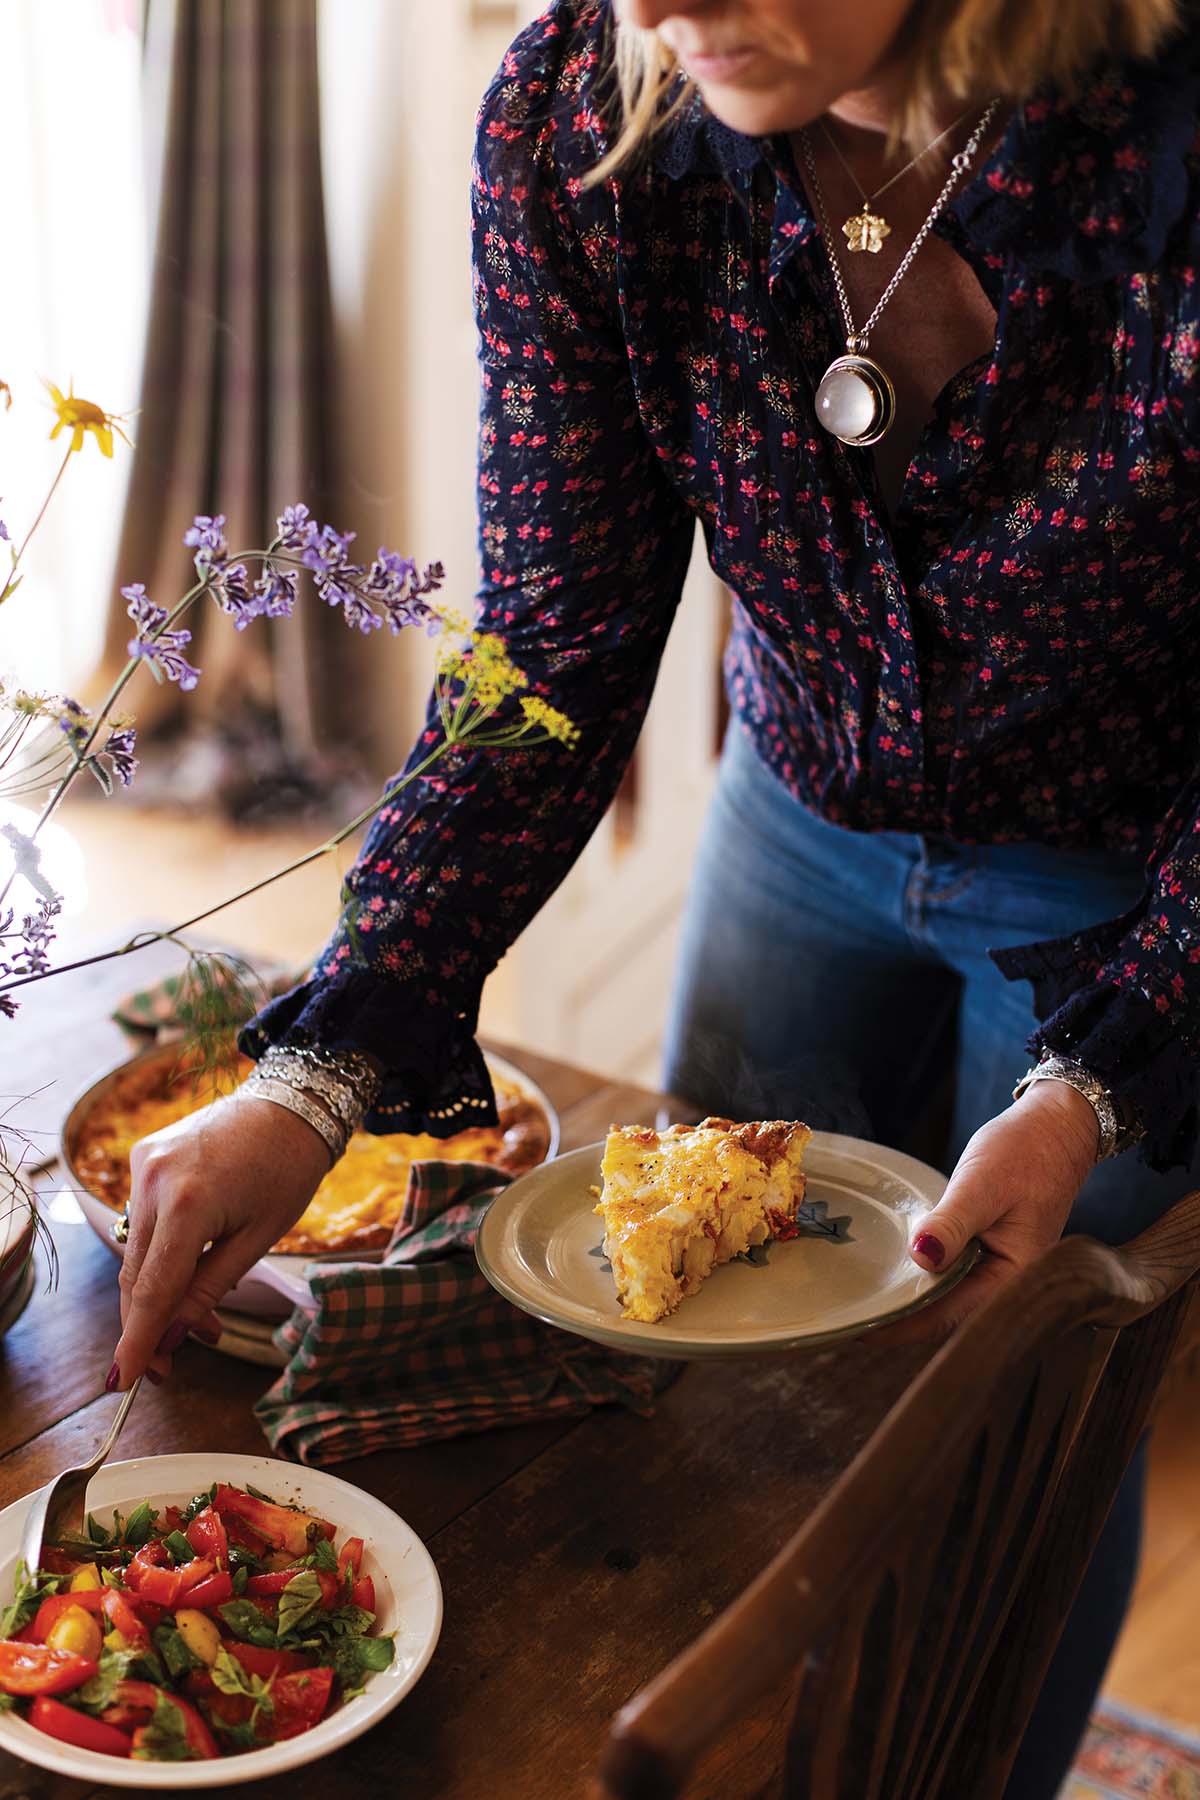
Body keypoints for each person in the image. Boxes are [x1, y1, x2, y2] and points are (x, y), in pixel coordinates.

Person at [110, 0, 1200, 1790]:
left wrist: (1095, 1088)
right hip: (801, 812)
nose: (669, 8)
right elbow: (550, 644)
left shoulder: (1165, 145)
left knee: (1018, 1427)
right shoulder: (572, 127)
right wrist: (317, 1071)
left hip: (1133, 887)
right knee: (710, 1359)